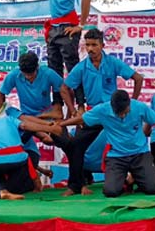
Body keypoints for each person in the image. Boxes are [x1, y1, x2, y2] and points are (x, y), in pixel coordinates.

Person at [55, 28, 143, 196]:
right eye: (87, 45)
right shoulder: (82, 67)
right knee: (76, 146)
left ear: (102, 45)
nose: (90, 49)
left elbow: (138, 78)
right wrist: (74, 111)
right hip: (94, 113)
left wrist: (132, 102)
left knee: (129, 144)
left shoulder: (113, 62)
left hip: (114, 112)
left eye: (94, 45)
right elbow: (64, 88)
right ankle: (76, 185)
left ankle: (135, 179)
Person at [60, 90, 155, 197]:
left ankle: (136, 178)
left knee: (153, 189)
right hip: (116, 156)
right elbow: (82, 119)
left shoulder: (139, 107)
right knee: (111, 192)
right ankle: (124, 181)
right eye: (118, 113)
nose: (122, 115)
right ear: (112, 107)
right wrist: (61, 124)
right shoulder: (102, 110)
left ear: (129, 104)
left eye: (124, 111)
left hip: (140, 154)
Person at [35, 0, 91, 111]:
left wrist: (80, 25)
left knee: (72, 66)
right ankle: (58, 105)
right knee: (54, 69)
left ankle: (81, 104)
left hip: (68, 26)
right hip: (54, 27)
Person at [0, 108, 61, 200]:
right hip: (19, 160)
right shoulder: (9, 119)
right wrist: (49, 128)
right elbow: (25, 126)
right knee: (21, 158)